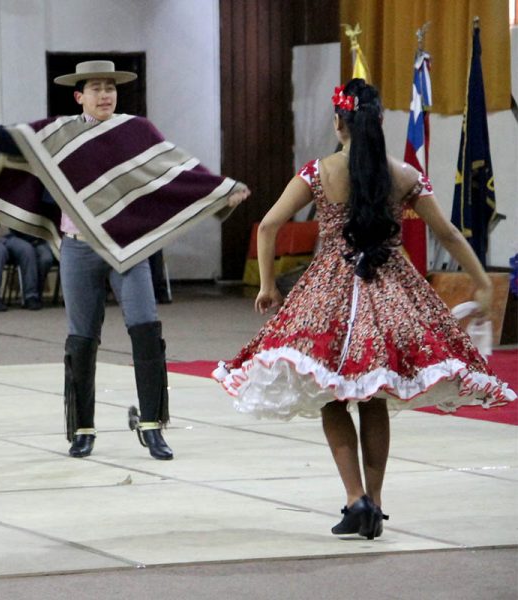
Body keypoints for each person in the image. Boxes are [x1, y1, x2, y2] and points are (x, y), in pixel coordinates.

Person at [213, 79, 515, 539]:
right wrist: (481, 281)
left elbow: (270, 225)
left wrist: (270, 286)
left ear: (340, 122)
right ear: (377, 123)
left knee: (331, 394)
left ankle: (354, 497)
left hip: (328, 293)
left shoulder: (319, 171)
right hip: (393, 291)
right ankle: (374, 501)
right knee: (373, 398)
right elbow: (450, 234)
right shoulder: (405, 175)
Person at [0, 60, 250, 460]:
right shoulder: (61, 133)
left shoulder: (136, 130)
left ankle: (153, 425)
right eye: (97, 88)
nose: (105, 95)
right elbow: (14, 137)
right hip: (78, 247)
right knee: (82, 340)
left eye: (111, 88)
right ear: (79, 96)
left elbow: (175, 169)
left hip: (129, 248)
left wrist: (221, 189)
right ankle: (82, 429)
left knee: (146, 330)